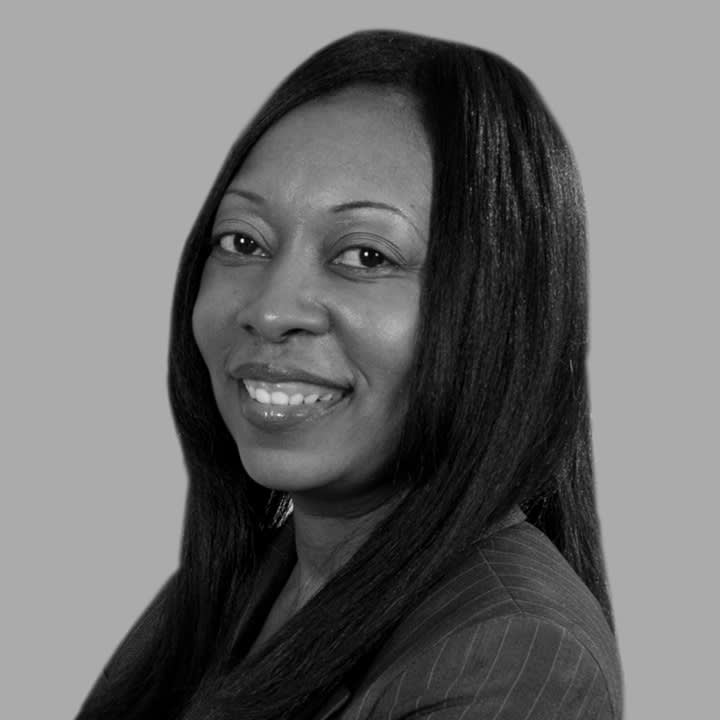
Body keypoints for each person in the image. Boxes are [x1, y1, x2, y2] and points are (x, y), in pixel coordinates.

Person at [76, 29, 623, 720]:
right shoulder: (226, 593)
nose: (271, 310)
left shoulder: (512, 652)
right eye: (243, 241)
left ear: (503, 312)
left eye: (366, 255)